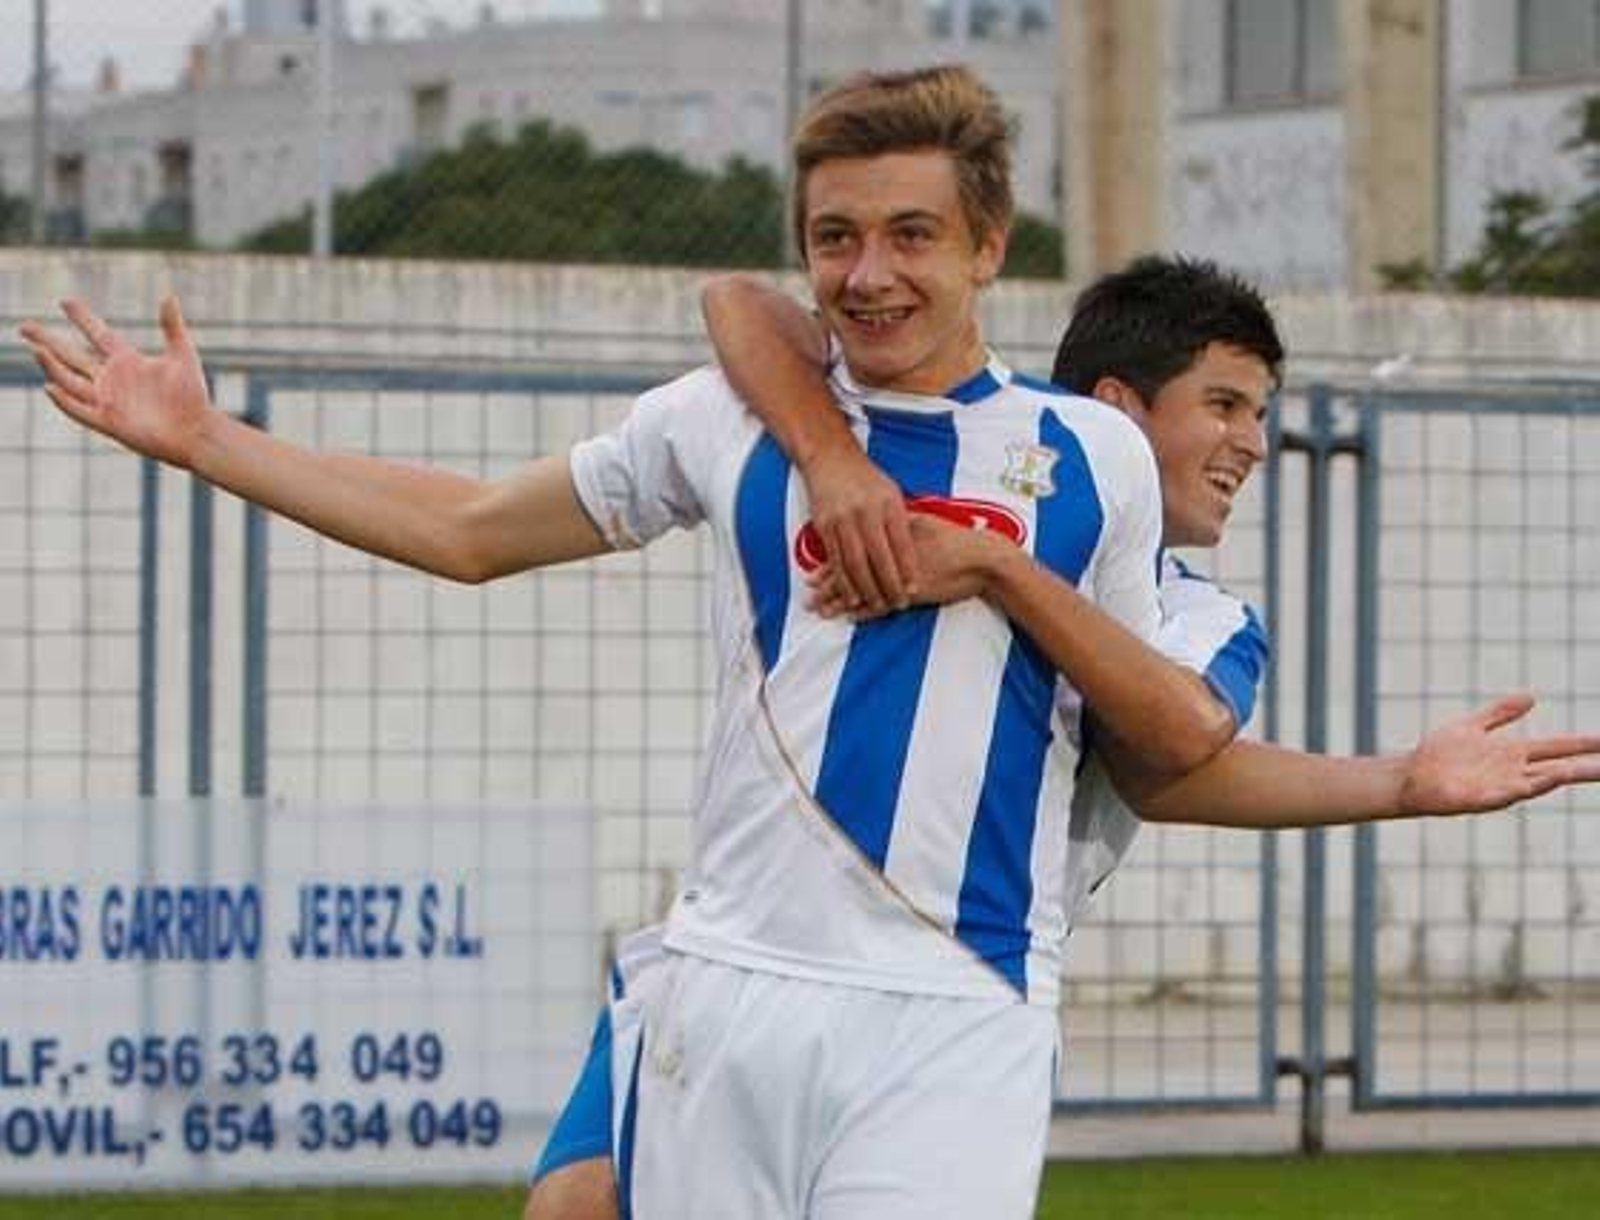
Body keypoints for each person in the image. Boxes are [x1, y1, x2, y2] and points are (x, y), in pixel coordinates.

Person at [23, 67, 1243, 1220]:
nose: (868, 274)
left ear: (988, 246)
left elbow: (1149, 721)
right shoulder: (727, 419)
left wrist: (993, 566)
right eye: (834, 238)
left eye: (911, 235)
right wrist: (210, 439)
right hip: (724, 991)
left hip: (958, 999)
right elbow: (470, 528)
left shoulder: (1094, 456)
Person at [522, 253, 1600, 1220]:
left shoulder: (1201, 619)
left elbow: (1174, 762)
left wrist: (1404, 780)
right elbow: (740, 306)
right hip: (731, 961)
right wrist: (826, 451)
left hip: (935, 1000)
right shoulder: (960, 450)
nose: (1252, 443)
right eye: (1224, 404)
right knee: (576, 1201)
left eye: (1261, 413)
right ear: (1119, 411)